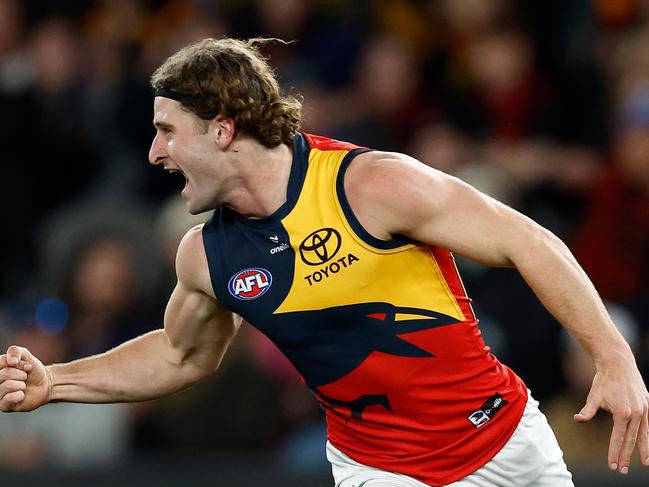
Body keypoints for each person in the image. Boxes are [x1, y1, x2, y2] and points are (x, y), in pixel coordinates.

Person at [1, 38, 648, 487]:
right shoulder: (207, 256)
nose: (153, 152)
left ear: (222, 129)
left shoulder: (370, 184)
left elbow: (528, 242)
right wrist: (55, 382)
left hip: (502, 440)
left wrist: (613, 358)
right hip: (378, 467)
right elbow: (179, 355)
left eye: (167, 130)